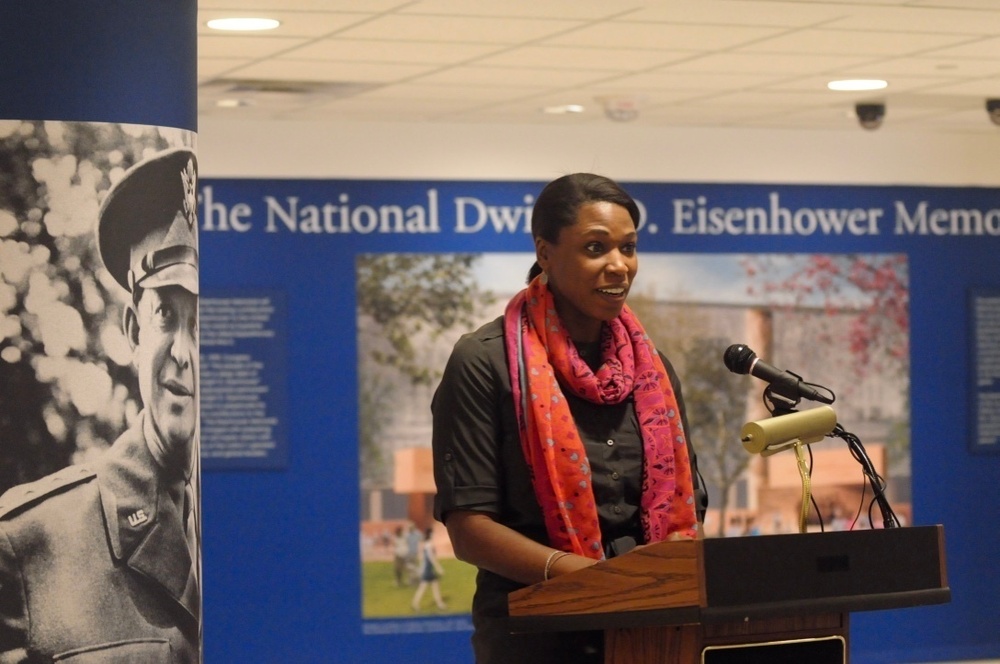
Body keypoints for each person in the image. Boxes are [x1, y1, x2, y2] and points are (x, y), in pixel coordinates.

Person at [431, 173, 707, 664]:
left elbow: (689, 507)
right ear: (545, 251)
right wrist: (596, 580)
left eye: (629, 247)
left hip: (654, 629)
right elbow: (469, 527)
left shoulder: (654, 371)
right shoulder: (485, 362)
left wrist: (652, 584)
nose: (619, 266)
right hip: (536, 637)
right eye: (596, 248)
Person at [0, 148, 201, 663]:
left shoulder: (278, 532)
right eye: (165, 315)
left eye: (207, 323)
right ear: (135, 330)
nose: (184, 352)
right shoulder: (30, 543)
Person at [410, 527, 447, 611]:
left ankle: (439, 603)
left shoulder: (425, 544)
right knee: (424, 587)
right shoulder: (429, 544)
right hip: (428, 569)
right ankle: (416, 603)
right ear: (430, 534)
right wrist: (439, 568)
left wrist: (421, 568)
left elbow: (422, 557)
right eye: (432, 533)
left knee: (433, 585)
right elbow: (431, 558)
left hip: (427, 569)